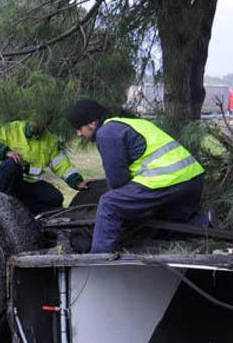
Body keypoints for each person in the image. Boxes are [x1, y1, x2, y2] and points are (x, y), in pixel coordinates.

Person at [67, 99, 205, 253]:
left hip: (168, 179)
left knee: (109, 203)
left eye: (79, 128)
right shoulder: (131, 123)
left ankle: (98, 259)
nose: (78, 133)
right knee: (176, 223)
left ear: (92, 123)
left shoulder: (106, 133)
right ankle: (207, 222)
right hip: (193, 177)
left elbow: (118, 180)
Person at [0, 119, 89, 215]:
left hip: (29, 183)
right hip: (6, 181)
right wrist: (6, 152)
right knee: (13, 164)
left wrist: (77, 181)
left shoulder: (50, 140)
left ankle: (30, 217)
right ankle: (8, 208)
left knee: (55, 198)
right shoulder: (11, 129)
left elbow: (61, 164)